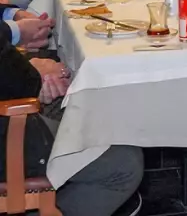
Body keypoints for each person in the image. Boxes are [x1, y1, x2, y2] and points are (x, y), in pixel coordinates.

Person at [0, 43, 143, 216]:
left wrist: (29, 68)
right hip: (10, 128)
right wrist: (33, 79)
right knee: (125, 162)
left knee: (99, 112)